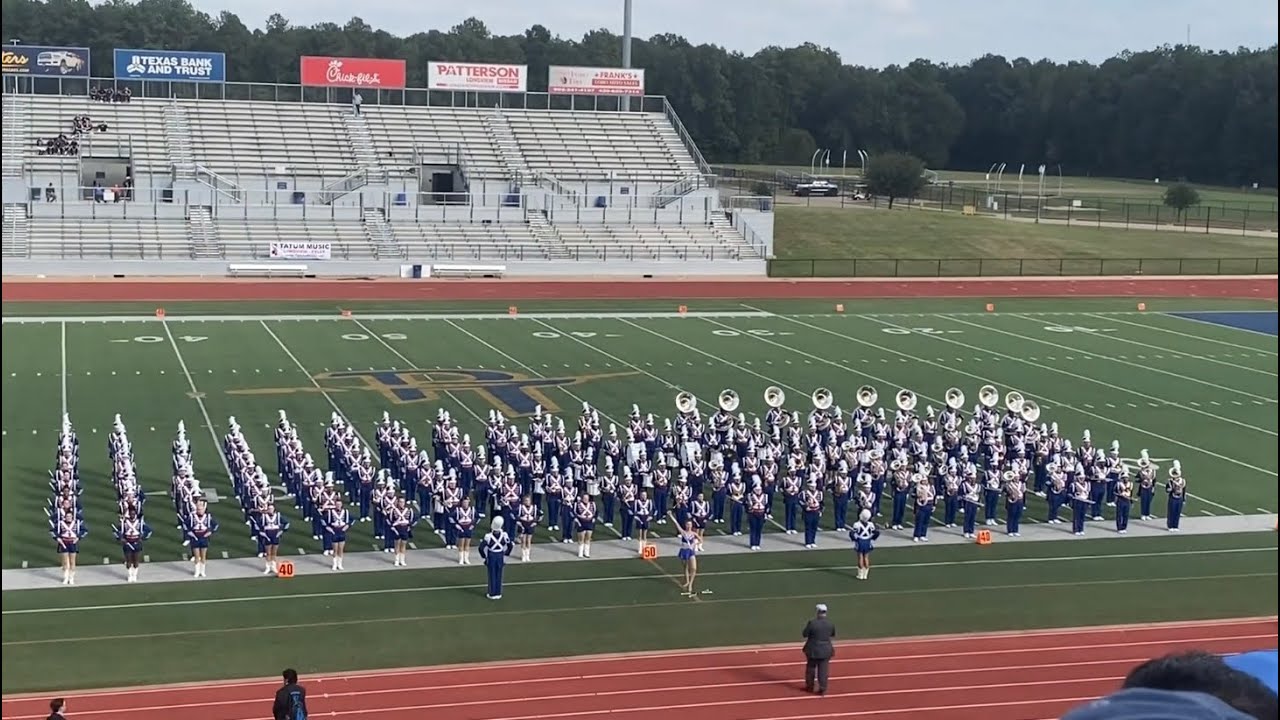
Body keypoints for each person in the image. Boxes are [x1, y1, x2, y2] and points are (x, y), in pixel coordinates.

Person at [801, 603, 836, 695]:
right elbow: (832, 634)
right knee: (823, 669)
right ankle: (823, 688)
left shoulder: (812, 623)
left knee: (811, 668)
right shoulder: (830, 623)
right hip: (826, 649)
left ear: (817, 612)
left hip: (813, 649)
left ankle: (810, 686)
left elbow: (805, 634)